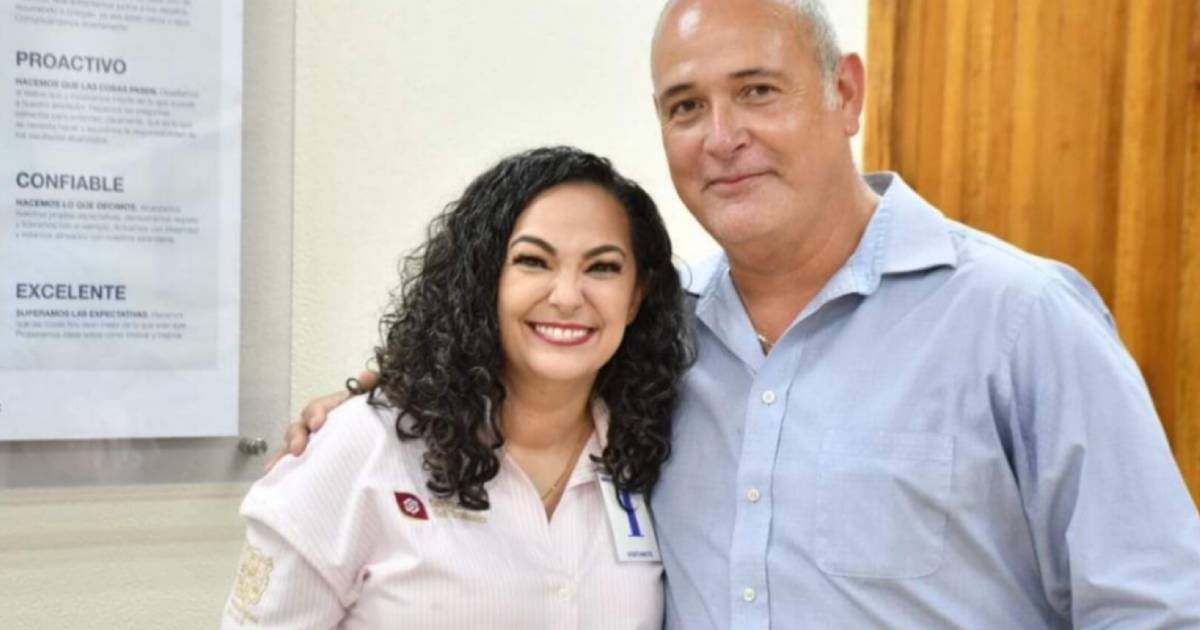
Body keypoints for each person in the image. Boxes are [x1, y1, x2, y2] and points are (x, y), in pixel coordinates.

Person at [282, 1, 1200, 627]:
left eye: (758, 90)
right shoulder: (653, 334)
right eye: (687, 106)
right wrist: (379, 403)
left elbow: (1158, 606)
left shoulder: (1022, 321)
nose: (721, 138)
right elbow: (522, 376)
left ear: (846, 92)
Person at [222, 146, 691, 629]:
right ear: (483, 280)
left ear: (636, 296)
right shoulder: (362, 447)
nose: (568, 296)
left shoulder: (655, 450)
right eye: (533, 261)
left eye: (603, 267)